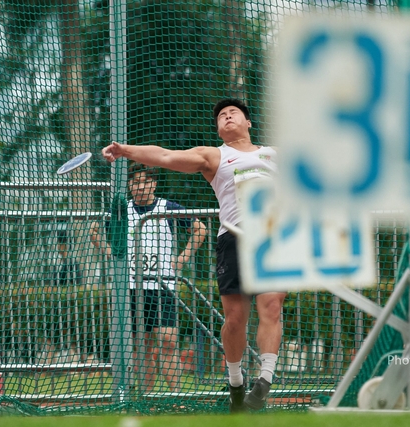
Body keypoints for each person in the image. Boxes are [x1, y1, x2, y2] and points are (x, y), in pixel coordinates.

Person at [102, 98, 283, 412]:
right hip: (234, 240)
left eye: (233, 113)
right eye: (221, 116)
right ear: (217, 128)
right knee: (235, 320)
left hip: (271, 238)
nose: (227, 116)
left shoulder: (273, 155)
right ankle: (236, 381)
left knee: (272, 307)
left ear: (248, 122)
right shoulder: (214, 156)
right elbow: (165, 156)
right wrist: (125, 150)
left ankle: (264, 381)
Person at [126, 163, 206, 392]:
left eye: (145, 182)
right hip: (132, 287)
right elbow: (96, 231)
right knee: (141, 346)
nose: (140, 186)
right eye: (135, 182)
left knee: (168, 341)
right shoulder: (123, 210)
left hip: (163, 287)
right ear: (130, 185)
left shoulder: (167, 207)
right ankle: (145, 397)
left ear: (154, 184)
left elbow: (200, 229)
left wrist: (182, 258)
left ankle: (176, 396)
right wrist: (111, 254)